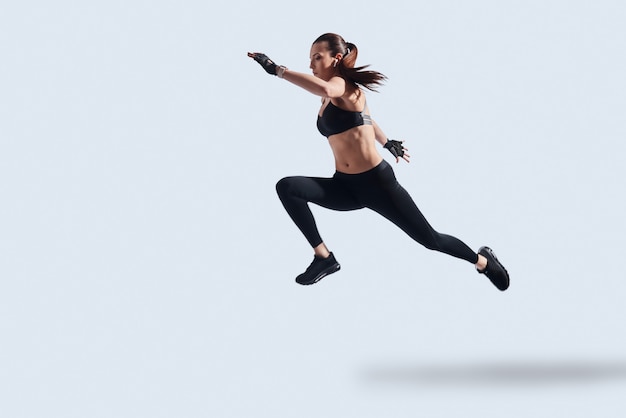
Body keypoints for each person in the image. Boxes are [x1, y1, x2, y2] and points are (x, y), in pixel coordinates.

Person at [247, 33, 509, 291]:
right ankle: (324, 258)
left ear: (336, 58)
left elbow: (329, 88)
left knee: (431, 240)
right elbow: (364, 119)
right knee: (288, 187)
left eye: (317, 57)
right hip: (345, 187)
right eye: (309, 58)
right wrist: (386, 141)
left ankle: (483, 262)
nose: (311, 64)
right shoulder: (328, 98)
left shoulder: (343, 87)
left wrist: (277, 70)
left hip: (377, 185)